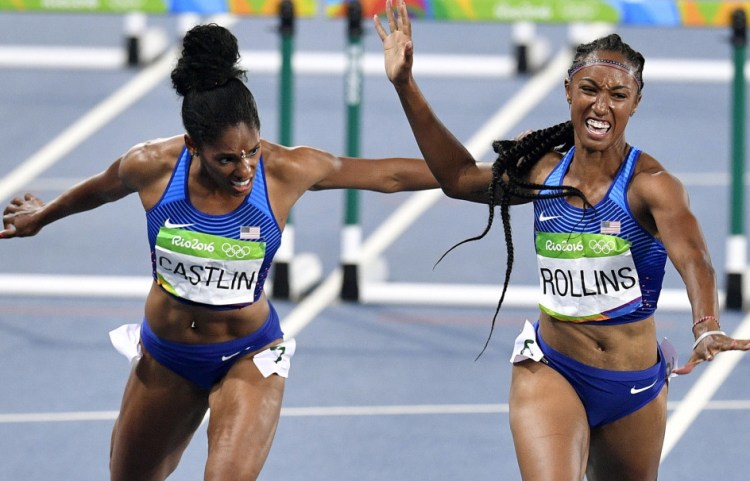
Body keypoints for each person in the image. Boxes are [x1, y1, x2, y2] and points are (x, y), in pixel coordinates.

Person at [1, 23, 438, 481]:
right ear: (193, 146)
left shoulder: (287, 170)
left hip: (248, 355)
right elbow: (100, 190)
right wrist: (43, 215)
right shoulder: (150, 165)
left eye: (251, 151)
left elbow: (389, 176)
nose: (244, 168)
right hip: (167, 355)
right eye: (226, 159)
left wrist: (473, 177)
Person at [374, 1, 750, 480]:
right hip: (552, 369)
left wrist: (706, 323)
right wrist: (406, 85)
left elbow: (694, 257)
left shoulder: (651, 185)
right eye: (589, 89)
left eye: (618, 94)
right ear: (568, 90)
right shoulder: (543, 172)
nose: (600, 105)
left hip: (632, 386)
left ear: (636, 103)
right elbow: (458, 178)